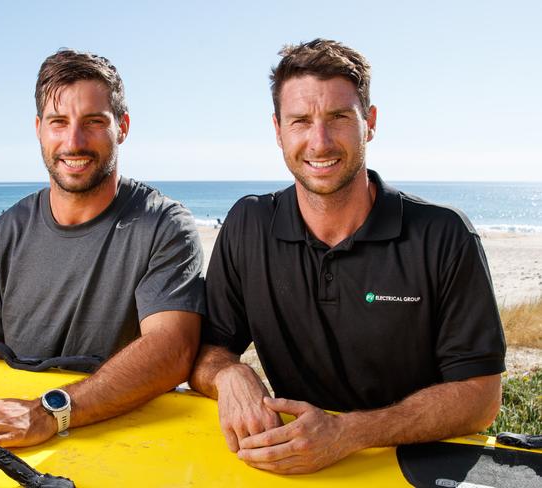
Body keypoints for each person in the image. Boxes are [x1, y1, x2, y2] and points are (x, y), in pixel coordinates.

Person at [189, 39, 505, 474]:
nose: (319, 143)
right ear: (278, 130)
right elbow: (208, 350)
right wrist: (230, 375)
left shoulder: (444, 234)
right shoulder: (248, 224)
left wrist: (348, 434)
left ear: (369, 123)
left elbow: (482, 396)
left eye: (338, 117)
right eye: (300, 121)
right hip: (299, 464)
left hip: (419, 464)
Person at [0, 49, 205, 448]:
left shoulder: (165, 226)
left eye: (93, 122)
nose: (74, 142)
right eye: (58, 122)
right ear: (39, 129)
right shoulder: (4, 231)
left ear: (123, 127)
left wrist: (51, 412)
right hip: (18, 437)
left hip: (120, 438)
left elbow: (172, 350)